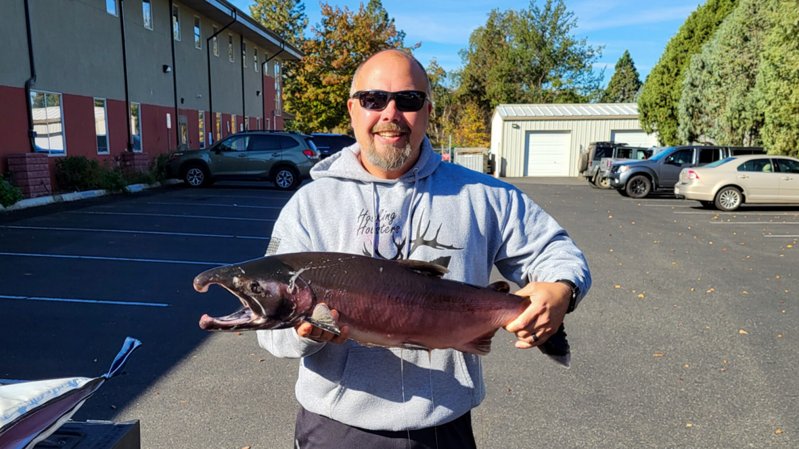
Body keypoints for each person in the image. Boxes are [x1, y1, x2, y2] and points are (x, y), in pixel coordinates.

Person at [257, 49, 591, 449]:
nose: (391, 113)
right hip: (335, 428)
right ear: (352, 109)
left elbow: (556, 252)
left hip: (442, 428)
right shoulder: (309, 205)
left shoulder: (484, 195)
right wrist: (306, 334)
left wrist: (561, 291)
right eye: (373, 99)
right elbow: (272, 330)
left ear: (428, 111)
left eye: (409, 100)